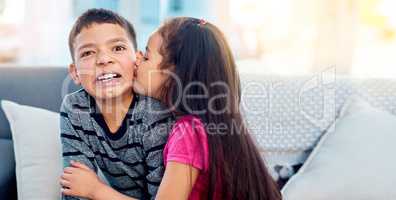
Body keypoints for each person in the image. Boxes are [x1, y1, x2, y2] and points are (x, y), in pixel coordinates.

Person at [62, 17, 282, 200]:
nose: (138, 62)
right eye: (88, 53)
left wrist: (96, 190)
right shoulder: (201, 126)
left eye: (146, 56)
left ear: (173, 73)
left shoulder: (188, 133)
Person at [59, 8, 175, 200]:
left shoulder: (154, 114)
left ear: (137, 60)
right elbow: (76, 187)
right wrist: (88, 190)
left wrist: (96, 190)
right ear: (75, 72)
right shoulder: (74, 108)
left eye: (118, 48)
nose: (104, 60)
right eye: (88, 52)